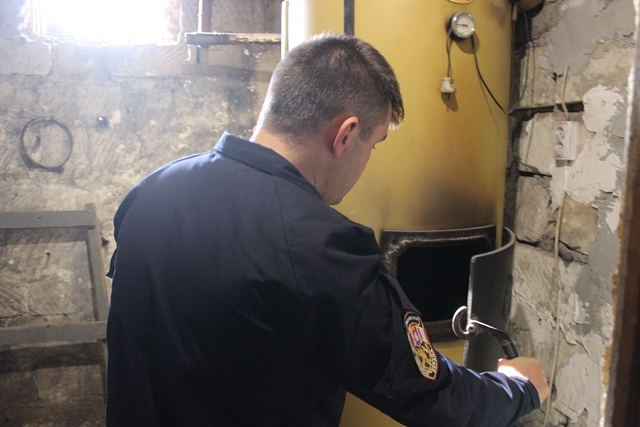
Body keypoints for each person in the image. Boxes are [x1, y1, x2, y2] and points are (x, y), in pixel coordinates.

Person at [105, 32, 549, 427]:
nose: (367, 160)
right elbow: (432, 397)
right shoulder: (321, 247)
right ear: (346, 134)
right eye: (374, 144)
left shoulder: (150, 192)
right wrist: (518, 387)